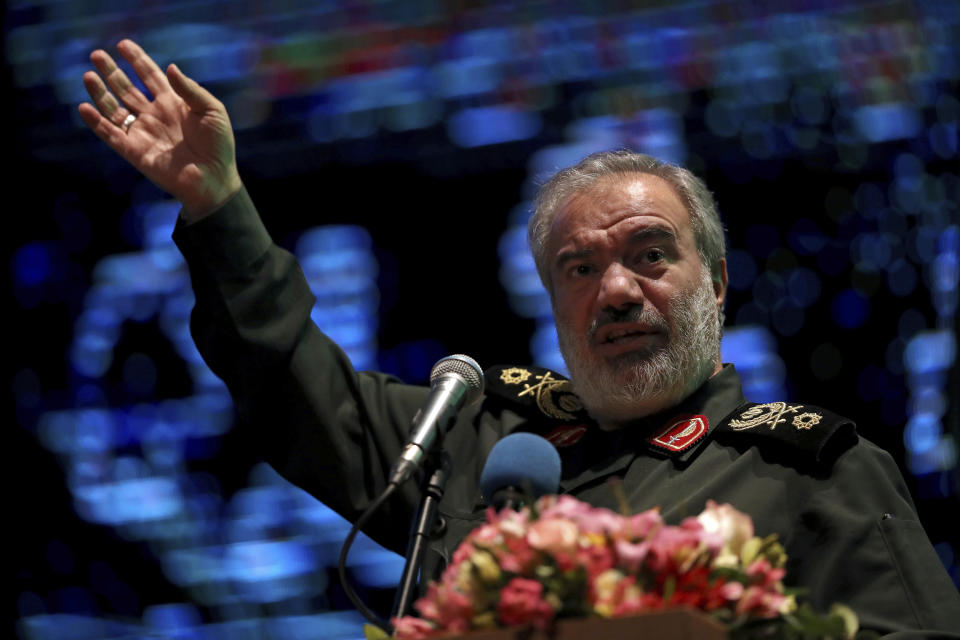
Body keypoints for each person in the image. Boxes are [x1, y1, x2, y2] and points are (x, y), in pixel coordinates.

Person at [79, 40, 960, 636]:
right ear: (547, 297)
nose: (615, 289)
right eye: (579, 268)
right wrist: (219, 207)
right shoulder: (482, 444)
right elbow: (292, 382)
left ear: (719, 286)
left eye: (650, 255)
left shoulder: (816, 472)